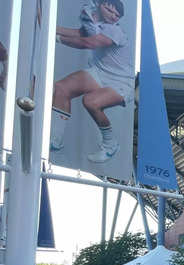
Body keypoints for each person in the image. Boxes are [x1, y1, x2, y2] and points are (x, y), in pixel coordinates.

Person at [51, 0, 133, 163]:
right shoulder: (98, 25)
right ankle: (55, 140)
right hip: (99, 72)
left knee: (90, 102)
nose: (114, 16)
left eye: (117, 15)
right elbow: (79, 34)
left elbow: (88, 43)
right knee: (61, 89)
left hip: (121, 82)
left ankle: (110, 144)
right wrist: (50, 28)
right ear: (101, 7)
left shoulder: (115, 31)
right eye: (110, 11)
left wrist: (57, 38)